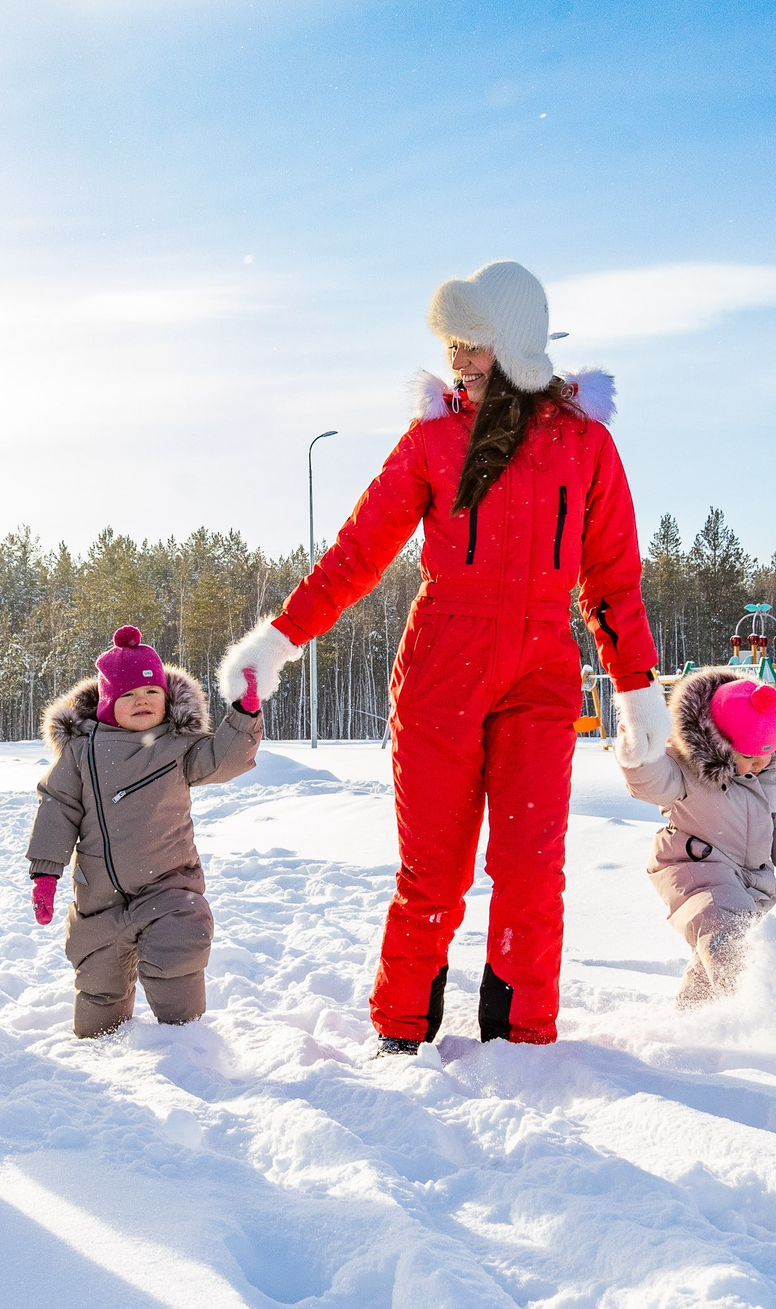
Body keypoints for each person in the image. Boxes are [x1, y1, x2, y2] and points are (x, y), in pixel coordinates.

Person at [216, 260, 673, 1053]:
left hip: (540, 670)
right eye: (451, 343)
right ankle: (402, 1032)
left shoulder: (586, 447)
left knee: (532, 875)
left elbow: (612, 582)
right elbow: (356, 555)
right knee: (434, 871)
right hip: (442, 670)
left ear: (517, 344)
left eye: (471, 342)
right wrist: (281, 639)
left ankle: (522, 1039)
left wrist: (636, 688)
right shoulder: (434, 439)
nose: (454, 358)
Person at [27, 627, 262, 1037]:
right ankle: (99, 1054)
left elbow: (223, 760)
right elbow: (56, 807)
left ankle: (187, 1040)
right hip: (98, 898)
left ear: (166, 700)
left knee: (177, 955)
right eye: (128, 696)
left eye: (152, 694)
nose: (142, 702)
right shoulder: (82, 752)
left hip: (169, 887)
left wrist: (244, 713)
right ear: (106, 704)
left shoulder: (178, 745)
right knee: (99, 990)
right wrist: (46, 873)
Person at [617, 670, 776, 1007]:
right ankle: (752, 1007)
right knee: (726, 934)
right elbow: (653, 781)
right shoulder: (688, 766)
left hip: (749, 881)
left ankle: (696, 1020)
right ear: (723, 743)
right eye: (750, 756)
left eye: (767, 754)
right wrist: (640, 754)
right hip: (694, 866)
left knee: (726, 947)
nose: (760, 764)